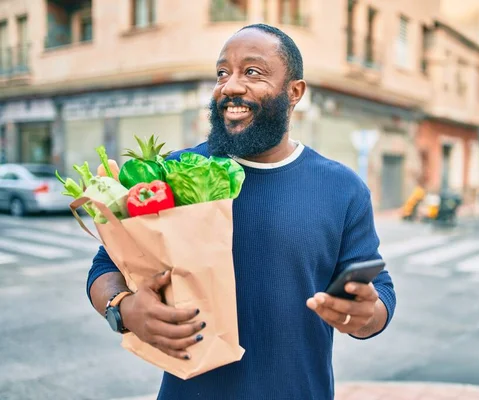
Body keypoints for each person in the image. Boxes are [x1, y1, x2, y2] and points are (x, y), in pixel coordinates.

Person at [87, 23, 396, 400]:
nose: (230, 86)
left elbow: (378, 294)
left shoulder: (342, 188)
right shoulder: (173, 171)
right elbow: (106, 266)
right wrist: (125, 309)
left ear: (294, 92)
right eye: (222, 72)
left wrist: (365, 315)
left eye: (252, 72)